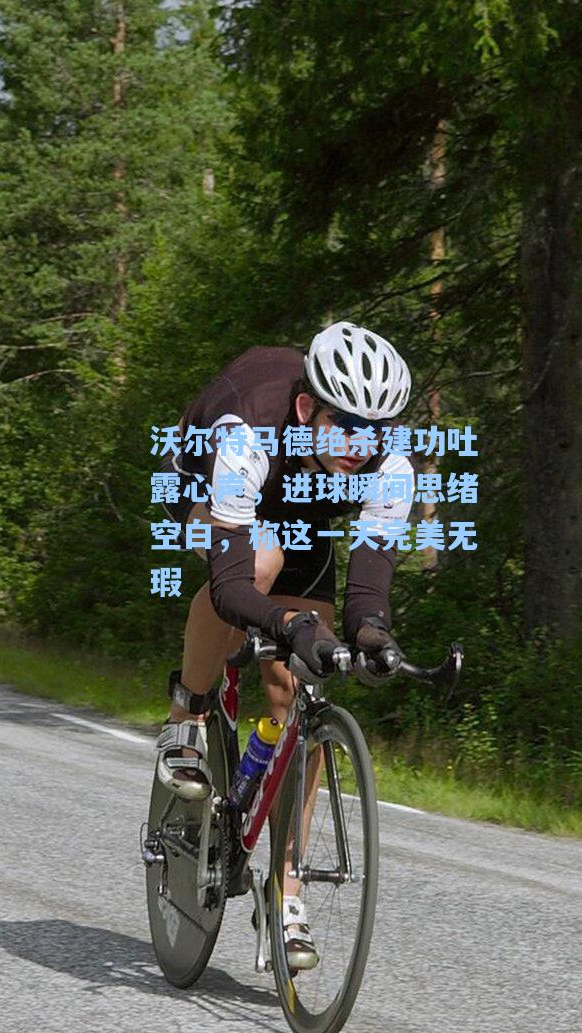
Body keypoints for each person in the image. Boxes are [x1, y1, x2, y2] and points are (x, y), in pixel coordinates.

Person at [155, 320, 412, 970]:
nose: (363, 444)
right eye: (346, 424)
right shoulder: (249, 431)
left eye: (376, 430)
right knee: (261, 565)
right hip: (211, 484)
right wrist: (285, 623)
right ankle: (186, 718)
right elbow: (235, 584)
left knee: (294, 687)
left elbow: (368, 589)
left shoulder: (390, 463)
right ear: (307, 409)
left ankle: (285, 888)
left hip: (299, 507)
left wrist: (373, 636)